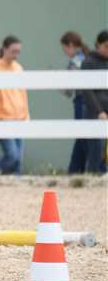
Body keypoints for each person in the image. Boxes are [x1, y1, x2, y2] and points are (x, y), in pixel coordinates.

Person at [0, 35, 29, 174]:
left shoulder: (18, 68)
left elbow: (23, 94)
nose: (16, 55)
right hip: (3, 119)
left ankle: (10, 184)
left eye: (18, 52)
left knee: (18, 161)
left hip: (20, 119)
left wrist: (26, 116)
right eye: (13, 51)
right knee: (13, 156)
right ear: (4, 49)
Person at [79, 29, 108, 175]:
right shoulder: (89, 62)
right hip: (95, 112)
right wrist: (99, 111)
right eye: (106, 46)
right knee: (96, 149)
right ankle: (92, 177)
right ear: (98, 44)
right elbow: (87, 91)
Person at [60, 31, 89, 174]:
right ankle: (76, 169)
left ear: (70, 45)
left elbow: (68, 91)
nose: (64, 51)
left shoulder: (75, 62)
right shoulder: (87, 57)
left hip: (81, 101)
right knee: (84, 135)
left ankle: (77, 169)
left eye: (64, 48)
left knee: (82, 136)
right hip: (93, 102)